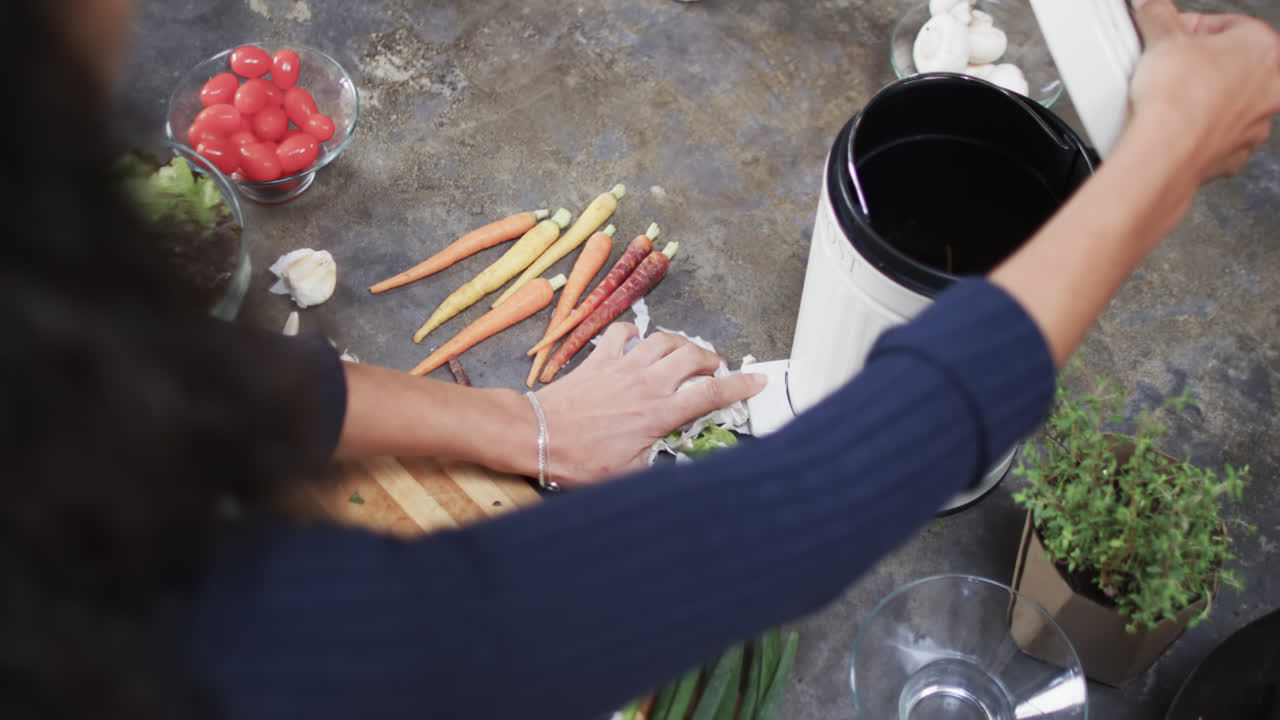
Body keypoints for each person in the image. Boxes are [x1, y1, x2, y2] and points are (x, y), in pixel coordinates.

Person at [2, 0, 1276, 718]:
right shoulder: (199, 659)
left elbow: (156, 375)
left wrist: (525, 427)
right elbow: (781, 518)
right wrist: (1163, 156)